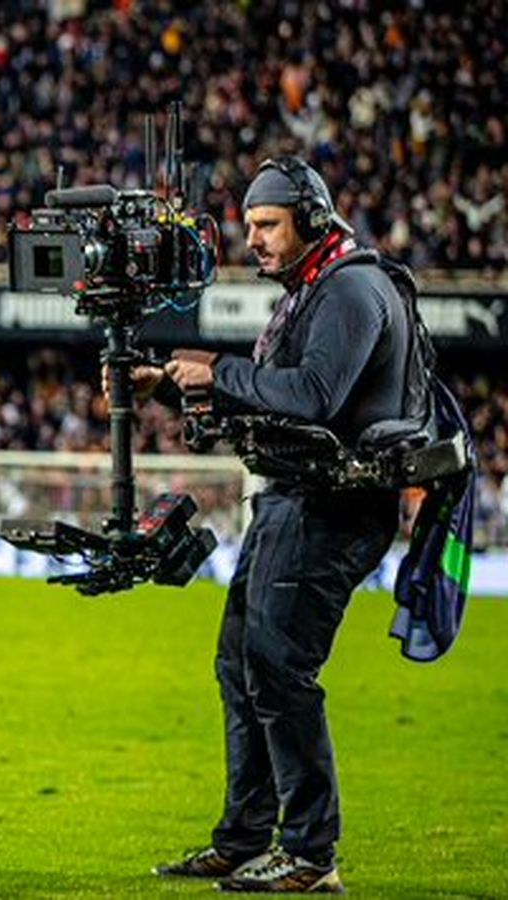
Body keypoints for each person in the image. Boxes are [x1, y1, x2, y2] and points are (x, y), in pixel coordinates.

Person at [143, 157, 412, 894]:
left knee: (281, 670)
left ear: (312, 220)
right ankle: (243, 838)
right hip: (289, 501)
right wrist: (173, 386)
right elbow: (268, 404)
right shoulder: (310, 291)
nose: (253, 240)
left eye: (266, 225)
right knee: (241, 667)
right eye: (250, 226)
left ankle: (311, 853)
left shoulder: (352, 288)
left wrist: (217, 370)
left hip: (332, 509)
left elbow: (315, 396)